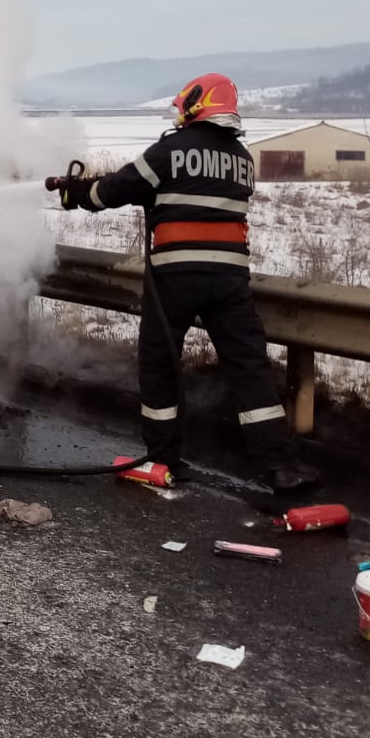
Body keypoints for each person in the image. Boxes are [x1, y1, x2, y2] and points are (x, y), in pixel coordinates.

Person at [55, 72, 320, 492]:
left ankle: (163, 459)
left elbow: (117, 189)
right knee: (249, 369)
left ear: (198, 104)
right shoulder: (243, 160)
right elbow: (192, 189)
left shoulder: (170, 150)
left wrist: (76, 193)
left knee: (161, 364)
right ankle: (280, 468)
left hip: (175, 279)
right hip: (229, 282)